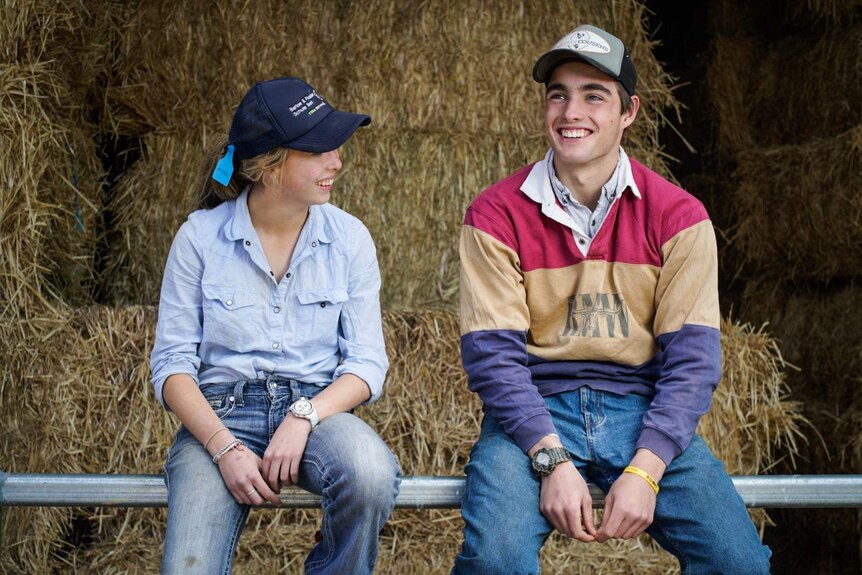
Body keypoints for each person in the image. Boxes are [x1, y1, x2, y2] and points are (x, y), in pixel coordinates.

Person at [452, 24, 771, 574]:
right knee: (495, 560)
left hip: (641, 411)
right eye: (558, 94)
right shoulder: (495, 214)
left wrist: (646, 470)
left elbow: (693, 362)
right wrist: (551, 459)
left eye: (593, 95)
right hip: (533, 416)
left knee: (738, 562)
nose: (571, 111)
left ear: (629, 112)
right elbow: (493, 359)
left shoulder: (679, 216)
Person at [150, 77, 400, 575]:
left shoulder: (350, 238)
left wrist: (305, 414)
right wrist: (222, 447)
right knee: (187, 567)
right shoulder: (198, 237)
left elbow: (367, 364)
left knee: (371, 473)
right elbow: (171, 367)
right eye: (318, 150)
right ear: (268, 165)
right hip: (219, 417)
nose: (337, 161)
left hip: (316, 412)